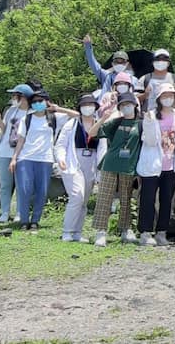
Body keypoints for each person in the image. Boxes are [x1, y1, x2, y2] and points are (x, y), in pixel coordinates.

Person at [10, 90, 74, 230]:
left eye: (40, 101)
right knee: (25, 189)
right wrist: (14, 158)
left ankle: (35, 221)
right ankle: (24, 220)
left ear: (46, 101)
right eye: (34, 102)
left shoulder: (54, 117)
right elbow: (20, 140)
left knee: (42, 191)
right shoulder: (26, 119)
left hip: (45, 159)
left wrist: (57, 108)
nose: (37, 104)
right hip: (26, 158)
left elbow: (77, 115)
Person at [137, 84, 175, 247]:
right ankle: (145, 232)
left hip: (170, 165)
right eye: (165, 95)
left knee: (167, 200)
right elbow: (150, 140)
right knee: (148, 199)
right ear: (159, 98)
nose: (168, 98)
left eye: (171, 95)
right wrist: (148, 123)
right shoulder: (151, 115)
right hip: (153, 165)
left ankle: (162, 232)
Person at [92, 93, 145, 247]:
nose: (126, 107)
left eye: (129, 104)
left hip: (129, 166)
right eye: (123, 105)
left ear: (135, 105)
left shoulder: (141, 124)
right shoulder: (115, 122)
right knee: (104, 198)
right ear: (119, 107)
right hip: (110, 164)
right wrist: (103, 118)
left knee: (126, 199)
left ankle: (125, 229)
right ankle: (101, 232)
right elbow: (92, 133)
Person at [54, 94, 107, 242]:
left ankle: (77, 232)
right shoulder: (72, 124)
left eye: (91, 105)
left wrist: (100, 169)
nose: (88, 108)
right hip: (73, 161)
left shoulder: (99, 125)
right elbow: (60, 145)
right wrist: (61, 159)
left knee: (84, 200)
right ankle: (67, 231)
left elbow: (102, 148)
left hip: (91, 162)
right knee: (77, 196)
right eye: (84, 105)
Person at [0, 83, 33, 224]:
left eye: (16, 95)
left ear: (24, 97)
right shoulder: (10, 111)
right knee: (5, 184)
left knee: (21, 185)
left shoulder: (32, 113)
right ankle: (4, 212)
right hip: (5, 151)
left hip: (22, 153)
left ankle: (20, 213)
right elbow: (5, 128)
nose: (13, 98)